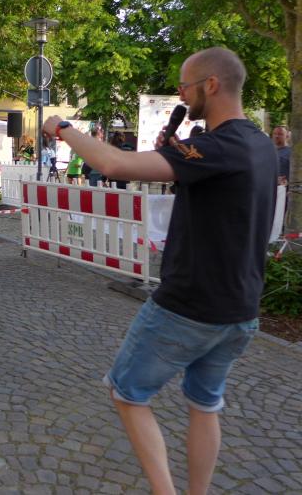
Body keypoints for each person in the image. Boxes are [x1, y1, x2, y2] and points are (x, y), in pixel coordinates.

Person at [43, 47, 277, 495]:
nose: (180, 95)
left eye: (185, 86)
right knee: (205, 405)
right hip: (240, 308)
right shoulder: (261, 144)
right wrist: (176, 154)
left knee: (127, 392)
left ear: (211, 85)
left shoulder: (217, 146)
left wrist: (64, 128)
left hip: (189, 306)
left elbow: (114, 164)